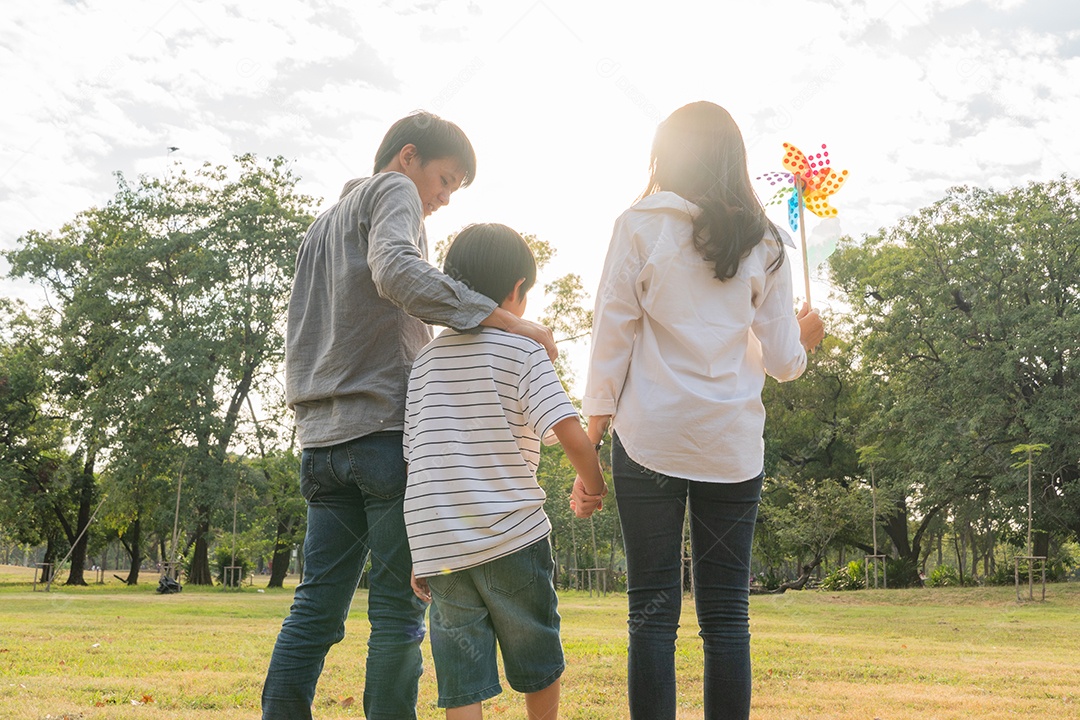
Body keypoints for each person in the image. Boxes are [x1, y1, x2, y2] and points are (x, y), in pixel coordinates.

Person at [261, 112, 558, 720]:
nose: (444, 200)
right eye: (444, 180)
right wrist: (509, 320)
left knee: (316, 607)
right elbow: (398, 271)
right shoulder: (392, 191)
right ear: (408, 157)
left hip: (320, 442)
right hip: (380, 436)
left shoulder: (321, 227)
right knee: (398, 611)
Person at [582, 101, 825, 720]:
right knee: (726, 618)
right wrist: (808, 338)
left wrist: (592, 432)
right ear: (733, 160)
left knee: (651, 614)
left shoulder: (638, 225)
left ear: (667, 155)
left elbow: (612, 332)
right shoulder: (767, 241)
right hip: (730, 447)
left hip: (650, 440)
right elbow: (783, 362)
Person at [404, 223, 607, 720]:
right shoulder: (523, 349)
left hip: (442, 548)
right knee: (537, 653)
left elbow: (416, 459)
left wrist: (420, 550)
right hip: (512, 535)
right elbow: (568, 430)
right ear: (517, 290)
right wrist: (596, 485)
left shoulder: (425, 361)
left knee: (460, 674)